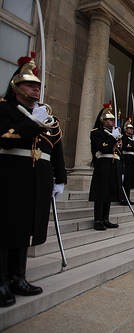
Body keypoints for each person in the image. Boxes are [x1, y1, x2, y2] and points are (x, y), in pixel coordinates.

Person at [0, 53, 67, 307]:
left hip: (38, 179)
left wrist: (60, 179)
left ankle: (19, 277)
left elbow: (55, 151)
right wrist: (31, 123)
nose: (36, 88)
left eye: (38, 85)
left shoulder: (48, 117)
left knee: (26, 228)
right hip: (11, 176)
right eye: (30, 85)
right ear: (16, 86)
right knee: (7, 228)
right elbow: (5, 140)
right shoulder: (4, 109)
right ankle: (2, 281)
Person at [89, 102, 121, 231]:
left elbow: (119, 152)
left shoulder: (115, 133)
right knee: (101, 192)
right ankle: (98, 219)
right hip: (103, 164)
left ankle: (106, 218)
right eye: (110, 119)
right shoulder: (97, 132)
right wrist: (112, 138)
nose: (113, 122)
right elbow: (102, 148)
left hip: (114, 164)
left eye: (113, 119)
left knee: (110, 192)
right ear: (103, 120)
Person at [120, 116, 134, 205]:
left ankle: (127, 197)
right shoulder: (123, 138)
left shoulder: (131, 139)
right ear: (125, 129)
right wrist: (133, 143)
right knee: (125, 180)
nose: (131, 130)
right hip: (126, 160)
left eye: (132, 129)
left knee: (129, 181)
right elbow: (126, 146)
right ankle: (123, 198)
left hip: (132, 161)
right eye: (129, 129)